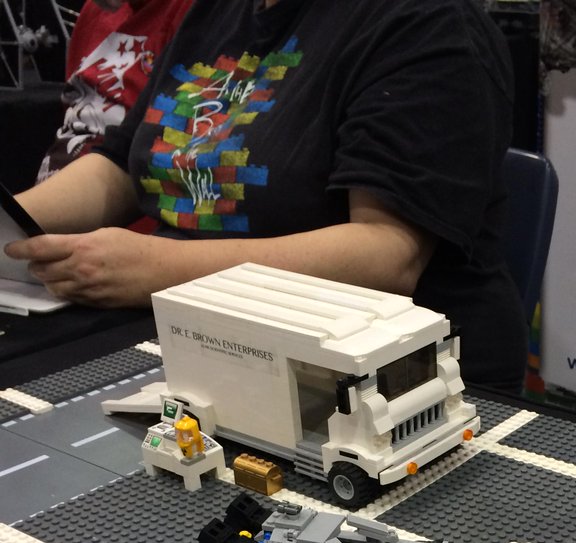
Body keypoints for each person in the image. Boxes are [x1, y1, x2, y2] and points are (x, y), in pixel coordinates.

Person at [6, 0, 526, 392]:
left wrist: (154, 268)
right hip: (196, 337)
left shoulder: (426, 24)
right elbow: (123, 164)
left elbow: (387, 255)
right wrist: (11, 219)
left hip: (374, 377)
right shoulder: (218, 11)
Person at [37, 0, 195, 182]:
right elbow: (71, 107)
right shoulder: (96, 10)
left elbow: (165, 155)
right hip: (65, 175)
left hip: (121, 178)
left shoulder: (190, 12)